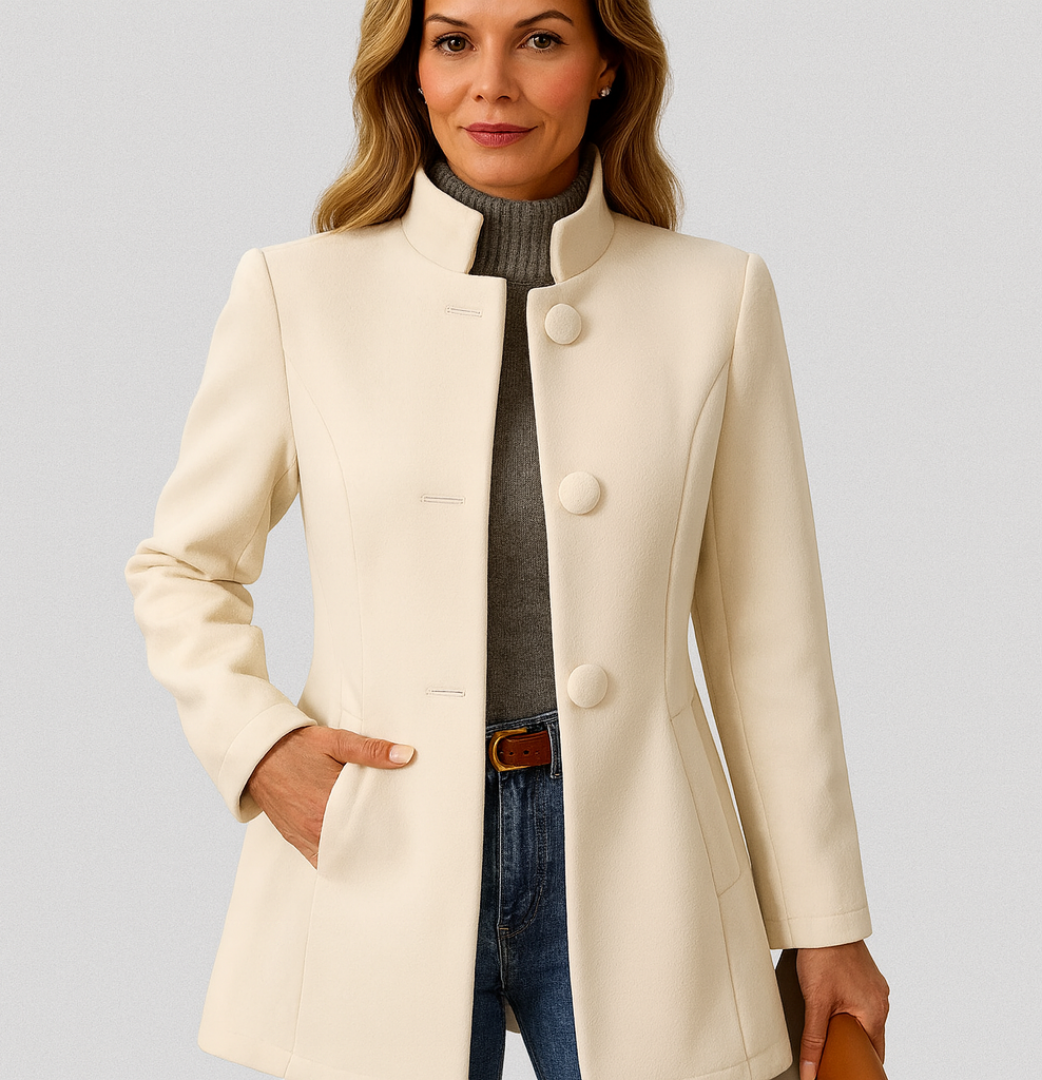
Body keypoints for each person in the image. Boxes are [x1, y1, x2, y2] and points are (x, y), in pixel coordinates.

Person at [125, 1, 890, 1078]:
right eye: (453, 41)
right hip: (375, 848)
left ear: (607, 65)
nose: (492, 81)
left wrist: (825, 920)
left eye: (540, 38)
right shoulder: (299, 293)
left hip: (646, 859)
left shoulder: (715, 298)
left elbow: (770, 639)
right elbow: (182, 567)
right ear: (412, 70)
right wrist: (261, 747)